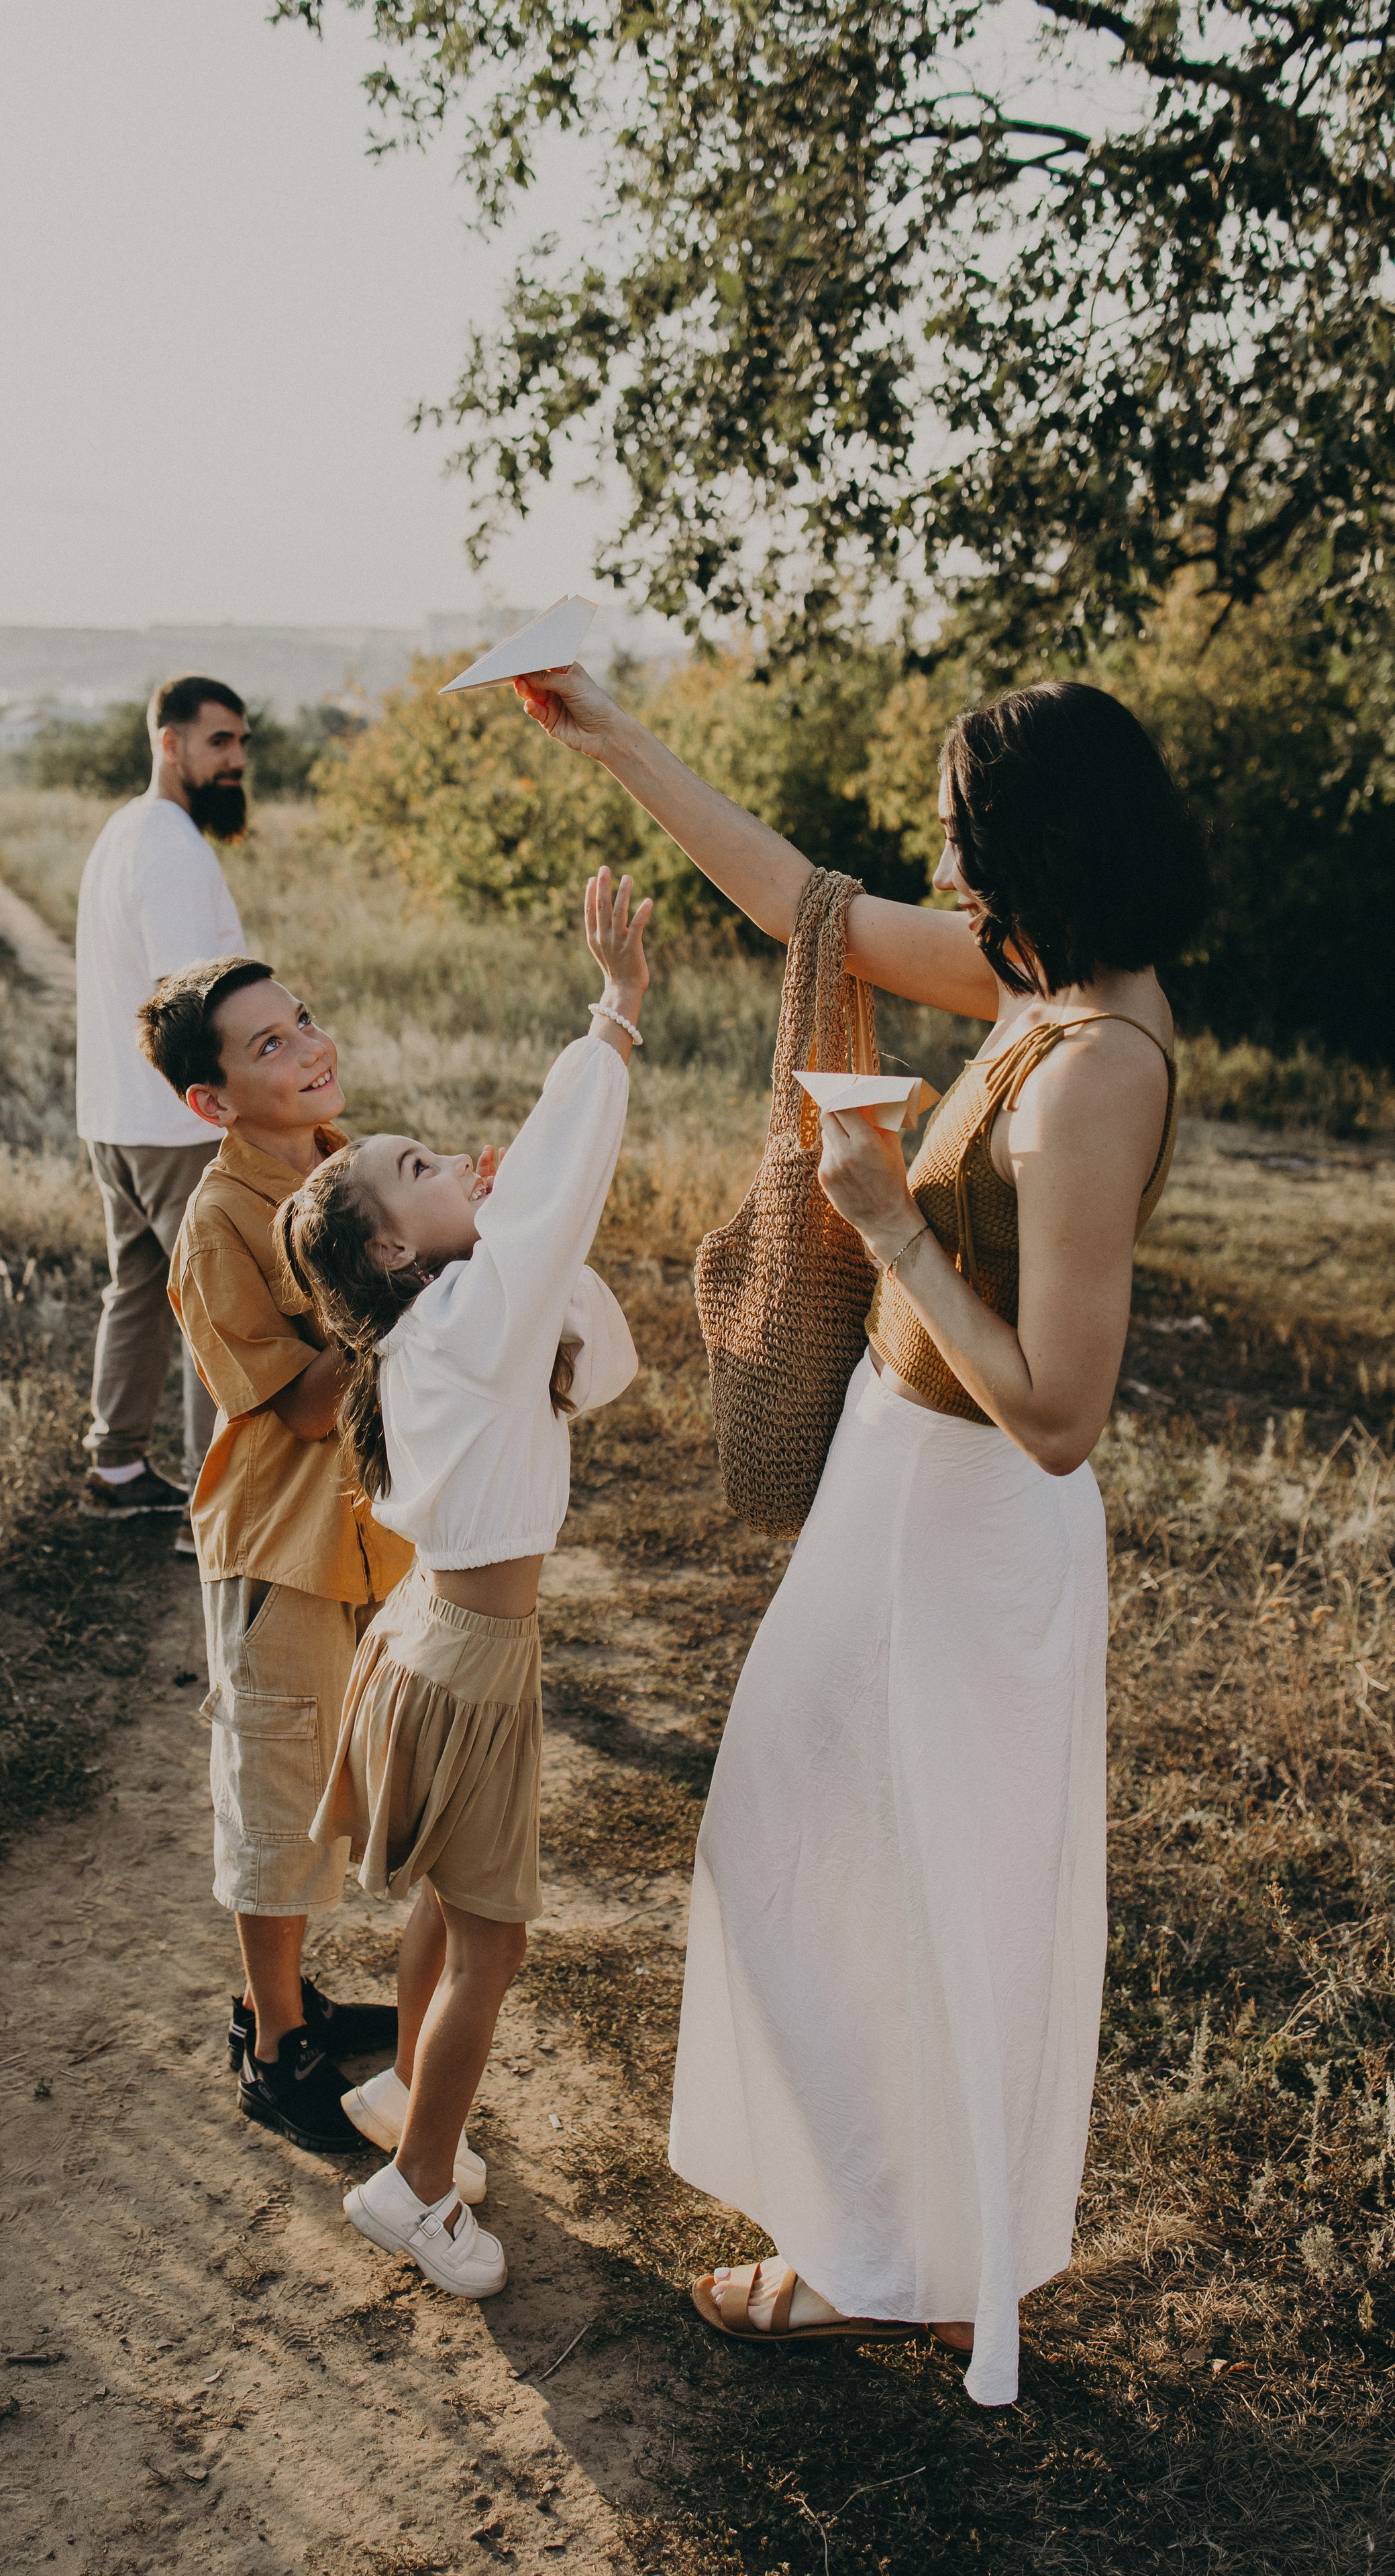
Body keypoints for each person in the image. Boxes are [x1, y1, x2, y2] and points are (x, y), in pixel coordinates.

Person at [512, 667, 1209, 2405]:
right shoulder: (1032, 980)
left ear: (1047, 845)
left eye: (969, 838)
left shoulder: (1104, 1061)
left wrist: (894, 1229)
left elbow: (1059, 1413)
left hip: (975, 1523)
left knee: (920, 1886)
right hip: (894, 1489)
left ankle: (883, 2263)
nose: (948, 866)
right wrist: (613, 738)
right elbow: (802, 899)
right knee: (809, 1849)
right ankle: (885, 2239)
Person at [273, 868, 650, 2300]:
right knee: (488, 1944)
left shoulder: (450, 1329)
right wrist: (609, 1020)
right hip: (465, 1666)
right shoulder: (466, 1321)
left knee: (443, 1904)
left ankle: (396, 2113)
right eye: (423, 1168)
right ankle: (418, 2189)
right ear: (386, 1245)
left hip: (433, 1644)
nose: (461, 1167)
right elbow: (558, 1199)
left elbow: (593, 1355)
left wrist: (501, 1230)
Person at [140, 955, 415, 2149]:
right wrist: (410, 1285)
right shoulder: (216, 1225)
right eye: (266, 1046)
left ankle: (294, 1994)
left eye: (303, 1019)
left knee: (342, 1785)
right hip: (282, 1551)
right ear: (211, 1104)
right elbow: (302, 1408)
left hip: (374, 1538)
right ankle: (272, 2037)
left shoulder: (344, 1165)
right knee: (276, 1794)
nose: (308, 1046)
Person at [74, 674, 252, 1549]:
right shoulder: (173, 847)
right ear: (169, 742)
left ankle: (115, 1466)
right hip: (175, 1124)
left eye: (242, 744)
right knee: (213, 1305)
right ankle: (209, 1507)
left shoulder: (122, 832)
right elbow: (194, 1002)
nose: (236, 760)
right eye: (219, 742)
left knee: (138, 1290)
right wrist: (238, 1106)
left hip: (114, 1116)